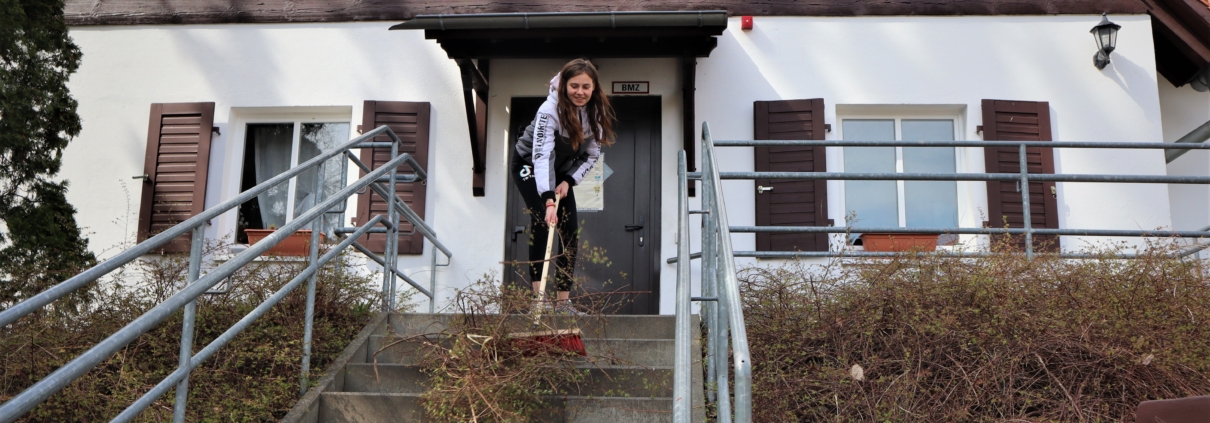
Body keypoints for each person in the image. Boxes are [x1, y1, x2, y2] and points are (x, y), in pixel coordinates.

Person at [511, 58, 616, 313]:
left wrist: (569, 180)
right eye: (574, 86)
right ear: (564, 86)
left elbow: (591, 156)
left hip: (560, 172)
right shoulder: (549, 110)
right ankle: (539, 299)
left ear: (594, 88)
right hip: (528, 164)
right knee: (543, 222)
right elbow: (542, 156)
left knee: (569, 231)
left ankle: (562, 303)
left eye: (586, 87)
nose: (580, 92)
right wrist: (548, 199)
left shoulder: (596, 114)